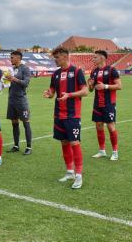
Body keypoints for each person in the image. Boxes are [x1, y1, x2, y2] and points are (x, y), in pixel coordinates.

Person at [43, 47, 88, 189]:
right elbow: (52, 91)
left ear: (64, 56)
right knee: (64, 142)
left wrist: (70, 94)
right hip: (58, 114)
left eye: (56, 57)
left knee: (74, 143)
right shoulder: (55, 74)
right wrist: (49, 94)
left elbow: (85, 91)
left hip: (72, 114)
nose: (54, 60)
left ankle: (79, 175)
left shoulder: (76, 72)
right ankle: (70, 172)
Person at [88, 50, 122, 160]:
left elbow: (119, 86)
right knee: (98, 125)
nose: (93, 59)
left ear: (102, 58)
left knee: (110, 126)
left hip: (109, 103)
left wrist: (105, 86)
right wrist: (90, 85)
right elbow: (91, 89)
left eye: (95, 57)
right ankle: (102, 150)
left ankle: (115, 152)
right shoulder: (94, 71)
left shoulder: (112, 70)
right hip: (97, 103)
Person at [5, 50, 33, 155]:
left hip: (21, 100)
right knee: (14, 123)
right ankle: (16, 145)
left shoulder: (25, 68)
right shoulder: (11, 69)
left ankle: (29, 147)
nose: (10, 59)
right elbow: (9, 82)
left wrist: (14, 79)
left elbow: (26, 83)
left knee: (26, 123)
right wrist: (5, 81)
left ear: (18, 58)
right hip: (11, 100)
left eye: (12, 57)